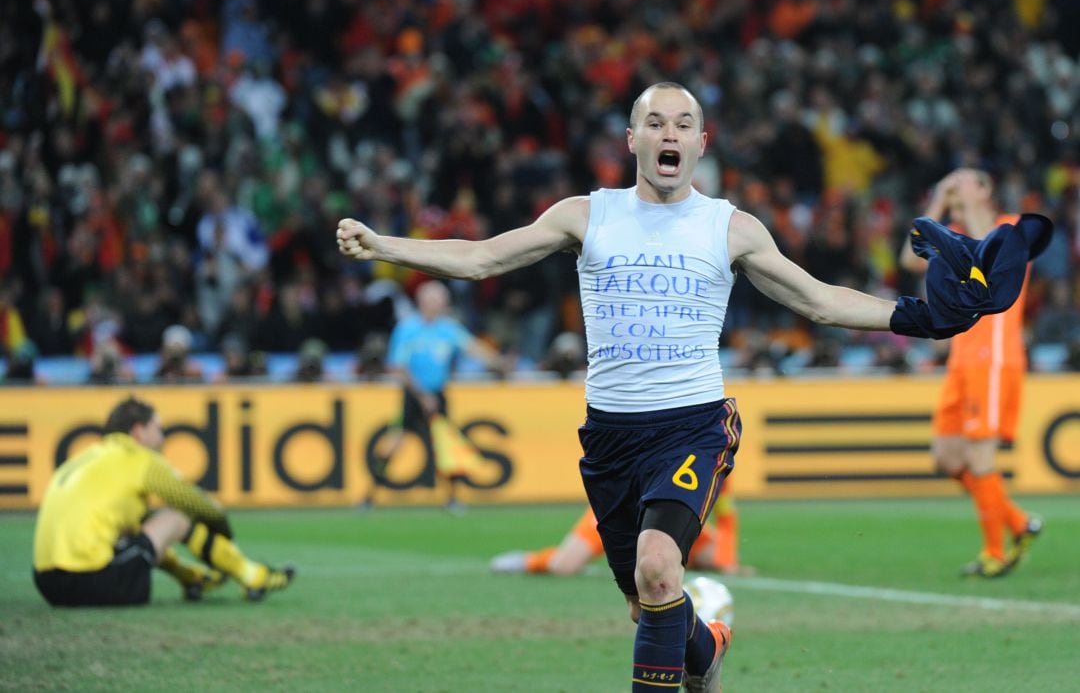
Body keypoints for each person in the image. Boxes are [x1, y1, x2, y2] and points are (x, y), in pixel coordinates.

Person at [338, 82, 1045, 692]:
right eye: (654, 122)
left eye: (682, 124)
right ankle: (708, 650)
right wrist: (387, 246)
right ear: (632, 139)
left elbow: (819, 299)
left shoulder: (729, 227)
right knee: (651, 609)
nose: (668, 133)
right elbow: (484, 257)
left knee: (656, 566)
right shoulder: (586, 214)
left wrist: (919, 318)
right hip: (610, 436)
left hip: (693, 424)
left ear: (701, 143)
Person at [900, 168, 1043, 578]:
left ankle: (995, 553)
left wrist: (960, 202)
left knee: (981, 453)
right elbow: (909, 258)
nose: (955, 184)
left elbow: (988, 251)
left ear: (985, 189)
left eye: (965, 181)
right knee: (946, 457)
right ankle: (1018, 523)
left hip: (994, 356)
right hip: (962, 356)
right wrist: (938, 204)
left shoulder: (1012, 228)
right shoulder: (954, 230)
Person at [33, 396, 294, 606]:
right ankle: (252, 576)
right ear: (138, 432)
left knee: (136, 528)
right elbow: (193, 501)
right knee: (176, 517)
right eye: (158, 429)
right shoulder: (138, 458)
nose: (163, 437)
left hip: (47, 586)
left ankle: (192, 579)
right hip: (94, 583)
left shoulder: (84, 458)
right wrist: (223, 526)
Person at [359, 279, 504, 512]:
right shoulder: (408, 328)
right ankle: (370, 495)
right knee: (396, 442)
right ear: (423, 302)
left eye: (443, 300)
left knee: (445, 445)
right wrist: (422, 394)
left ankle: (452, 498)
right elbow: (398, 367)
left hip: (438, 394)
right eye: (437, 300)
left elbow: (472, 347)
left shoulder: (448, 328)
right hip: (414, 394)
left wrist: (498, 361)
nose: (442, 304)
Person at [490, 483, 754, 577]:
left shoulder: (717, 462)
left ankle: (675, 557)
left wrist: (726, 561)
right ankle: (531, 561)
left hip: (666, 514)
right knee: (563, 567)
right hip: (619, 506)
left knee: (714, 555)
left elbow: (727, 515)